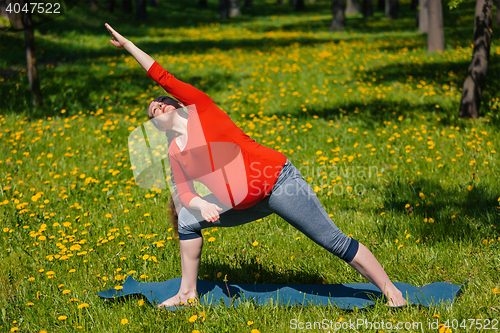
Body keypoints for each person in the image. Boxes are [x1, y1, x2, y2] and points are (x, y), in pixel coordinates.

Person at [105, 23, 407, 308]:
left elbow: (163, 76)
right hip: (238, 203)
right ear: (157, 126)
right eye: (151, 111)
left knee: (333, 240)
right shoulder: (175, 151)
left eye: (161, 101)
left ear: (178, 104)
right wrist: (199, 203)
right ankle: (187, 294)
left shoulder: (202, 110)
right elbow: (182, 191)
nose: (157, 106)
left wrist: (129, 45)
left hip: (278, 183)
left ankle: (389, 289)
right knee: (186, 218)